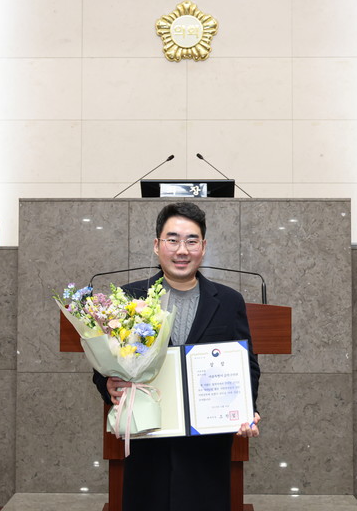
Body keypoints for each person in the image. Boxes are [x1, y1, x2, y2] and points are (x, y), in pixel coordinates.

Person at [93, 201, 261, 511]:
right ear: (157, 245)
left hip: (206, 447)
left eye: (191, 241)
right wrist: (109, 386)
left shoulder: (228, 301)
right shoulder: (130, 298)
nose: (182, 250)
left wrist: (246, 409)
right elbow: (106, 366)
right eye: (172, 240)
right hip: (148, 440)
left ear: (203, 247)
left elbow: (247, 366)